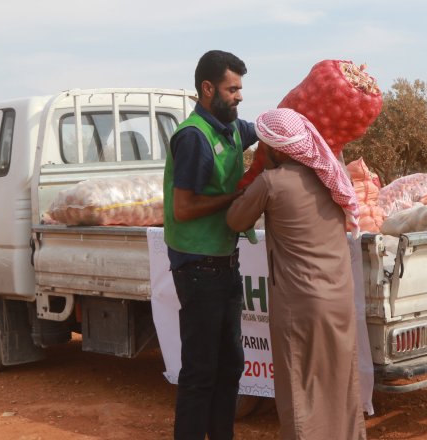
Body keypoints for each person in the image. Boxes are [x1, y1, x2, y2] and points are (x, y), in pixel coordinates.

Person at [225, 108, 367, 440]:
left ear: (276, 148)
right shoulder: (330, 176)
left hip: (299, 305)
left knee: (299, 386)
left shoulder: (271, 182)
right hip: (339, 299)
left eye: (264, 146)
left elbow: (235, 221)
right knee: (339, 381)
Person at [163, 49, 258, 440]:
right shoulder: (193, 138)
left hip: (225, 265)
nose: (238, 96)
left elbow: (273, 129)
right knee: (201, 371)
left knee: (230, 366)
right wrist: (239, 196)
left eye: (240, 89)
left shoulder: (231, 127)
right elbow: (183, 208)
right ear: (207, 89)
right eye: (231, 89)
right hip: (198, 270)